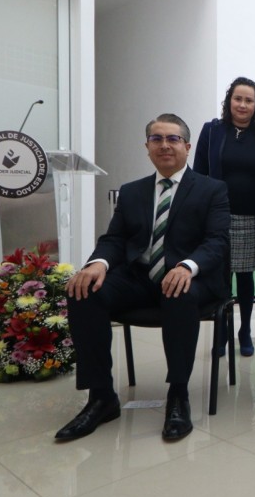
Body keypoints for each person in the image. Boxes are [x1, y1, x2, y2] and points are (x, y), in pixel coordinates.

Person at [55, 114, 230, 443]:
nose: (165, 145)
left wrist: (187, 266)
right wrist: (98, 263)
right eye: (156, 139)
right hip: (139, 277)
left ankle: (178, 394)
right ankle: (101, 397)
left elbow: (217, 242)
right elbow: (115, 239)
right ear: (147, 147)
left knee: (179, 292)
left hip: (192, 279)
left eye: (173, 139)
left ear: (187, 146)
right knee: (84, 290)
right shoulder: (132, 191)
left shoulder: (212, 190)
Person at [193, 77, 255, 357]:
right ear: (229, 101)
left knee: (246, 277)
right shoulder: (212, 131)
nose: (242, 105)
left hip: (251, 217)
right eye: (238, 98)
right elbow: (199, 173)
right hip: (218, 217)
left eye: (249, 100)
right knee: (221, 277)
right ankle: (221, 332)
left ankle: (245, 330)